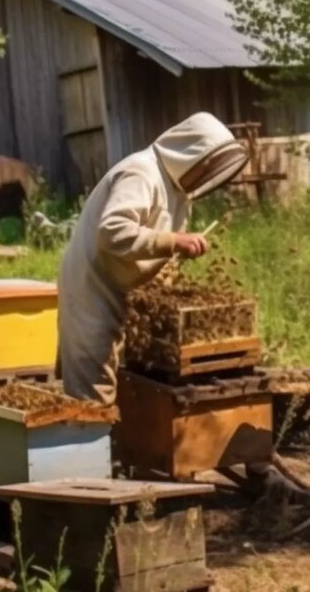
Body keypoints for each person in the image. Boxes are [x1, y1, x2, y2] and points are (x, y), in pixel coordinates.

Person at [57, 112, 249, 403]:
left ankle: (112, 445)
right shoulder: (141, 172)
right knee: (91, 393)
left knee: (129, 382)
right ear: (190, 151)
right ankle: (88, 447)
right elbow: (112, 232)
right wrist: (173, 241)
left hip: (125, 289)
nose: (206, 175)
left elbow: (155, 251)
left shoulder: (179, 192)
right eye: (206, 165)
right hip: (93, 287)